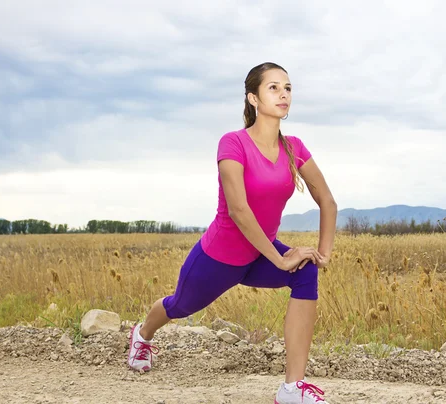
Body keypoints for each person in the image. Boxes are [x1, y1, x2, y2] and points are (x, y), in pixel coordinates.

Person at [127, 62, 338, 403]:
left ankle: (291, 389)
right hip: (218, 257)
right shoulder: (233, 143)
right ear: (253, 98)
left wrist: (323, 254)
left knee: (306, 272)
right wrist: (281, 259)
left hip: (259, 254)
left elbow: (327, 201)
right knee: (180, 305)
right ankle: (143, 333)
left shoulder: (294, 148)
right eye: (274, 88)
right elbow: (239, 211)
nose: (284, 94)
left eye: (288, 88)